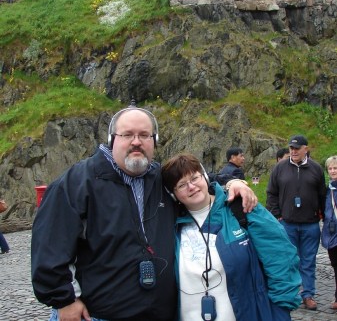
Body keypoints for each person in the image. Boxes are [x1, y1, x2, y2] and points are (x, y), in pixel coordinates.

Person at [31, 106, 256, 321]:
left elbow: (200, 181)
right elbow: (50, 246)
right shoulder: (77, 182)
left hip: (158, 314)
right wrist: (65, 300)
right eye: (127, 134)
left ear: (154, 141)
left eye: (145, 135)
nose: (136, 142)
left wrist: (233, 182)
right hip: (99, 315)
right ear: (112, 139)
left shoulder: (162, 178)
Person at [161, 152, 301, 321]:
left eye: (195, 178)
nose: (191, 186)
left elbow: (281, 257)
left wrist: (280, 310)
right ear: (173, 194)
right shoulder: (170, 223)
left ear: (205, 176)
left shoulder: (241, 207)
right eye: (182, 185)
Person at [266, 134, 326, 311]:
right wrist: (276, 215)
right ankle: (289, 295)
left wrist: (322, 215)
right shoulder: (279, 168)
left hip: (310, 224)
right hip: (287, 224)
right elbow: (271, 193)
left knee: (308, 261)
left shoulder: (316, 169)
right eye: (291, 148)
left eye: (297, 148)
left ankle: (308, 295)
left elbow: (322, 194)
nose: (293, 151)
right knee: (288, 261)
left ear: (305, 149)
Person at [321, 155, 337, 310]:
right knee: (335, 265)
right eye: (330, 168)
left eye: (335, 168)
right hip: (331, 233)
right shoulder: (328, 189)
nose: (333, 171)